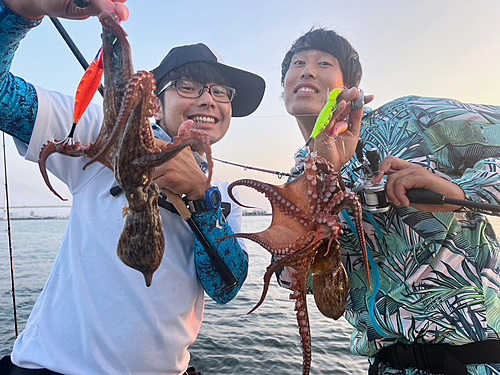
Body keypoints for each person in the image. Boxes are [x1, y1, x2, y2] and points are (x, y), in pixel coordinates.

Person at [0, 0, 265, 374]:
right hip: (53, 369)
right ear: (154, 103)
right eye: (189, 86)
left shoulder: (222, 195)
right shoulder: (101, 132)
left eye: (222, 92)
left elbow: (225, 288)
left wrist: (201, 200)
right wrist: (19, 11)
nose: (208, 98)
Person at [278, 27, 500, 374]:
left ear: (348, 86)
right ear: (285, 87)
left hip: (481, 358)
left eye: (323, 63)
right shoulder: (298, 177)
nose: (306, 70)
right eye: (297, 63)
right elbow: (316, 288)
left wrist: (459, 192)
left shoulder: (409, 118)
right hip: (386, 366)